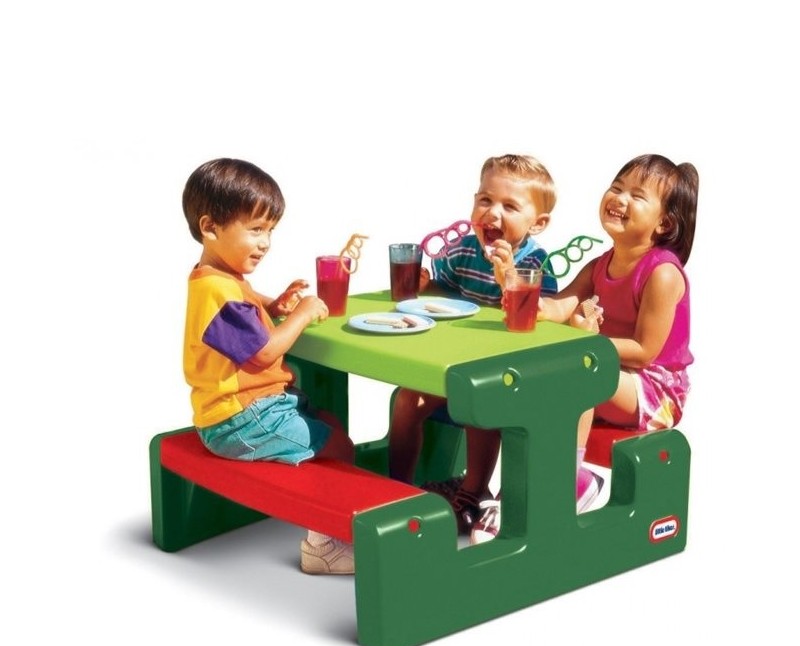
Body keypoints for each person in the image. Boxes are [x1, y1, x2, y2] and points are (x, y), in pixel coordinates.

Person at [471, 153, 698, 544]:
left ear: (664, 223)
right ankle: (514, 494)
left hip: (655, 391)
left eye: (637, 196)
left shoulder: (662, 273)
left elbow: (644, 351)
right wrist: (512, 281)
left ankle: (571, 481)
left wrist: (587, 343)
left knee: (579, 370)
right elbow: (555, 308)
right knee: (535, 387)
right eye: (617, 188)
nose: (620, 199)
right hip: (608, 372)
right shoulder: (600, 266)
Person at [182, 157, 356, 574]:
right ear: (210, 227)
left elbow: (246, 301)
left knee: (330, 423)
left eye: (270, 231)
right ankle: (324, 546)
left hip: (245, 411)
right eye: (256, 230)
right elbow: (263, 353)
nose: (265, 243)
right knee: (338, 448)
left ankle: (333, 522)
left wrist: (274, 305)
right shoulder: (218, 292)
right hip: (240, 420)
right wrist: (302, 314)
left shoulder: (215, 276)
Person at [388, 153, 557, 535]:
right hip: (453, 365)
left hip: (505, 376)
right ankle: (396, 491)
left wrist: (507, 276)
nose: (492, 213)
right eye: (485, 200)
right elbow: (444, 292)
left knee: (477, 405)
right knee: (407, 399)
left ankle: (474, 490)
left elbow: (539, 319)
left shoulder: (535, 263)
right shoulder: (464, 249)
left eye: (510, 206)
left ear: (538, 223)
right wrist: (427, 285)